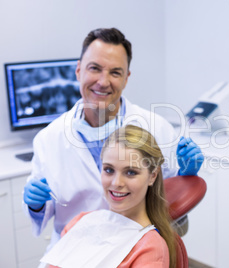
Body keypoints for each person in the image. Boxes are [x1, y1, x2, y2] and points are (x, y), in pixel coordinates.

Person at [23, 27, 204, 253]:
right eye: (94, 68)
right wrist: (36, 204)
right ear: (78, 70)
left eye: (115, 72)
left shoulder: (156, 128)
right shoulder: (49, 139)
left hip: (135, 252)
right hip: (74, 253)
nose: (103, 81)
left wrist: (185, 177)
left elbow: (173, 208)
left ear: (127, 78)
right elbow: (43, 211)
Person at [41, 125, 176, 268]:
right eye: (109, 170)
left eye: (130, 172)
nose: (116, 183)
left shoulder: (149, 249)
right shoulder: (80, 222)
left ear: (152, 176)